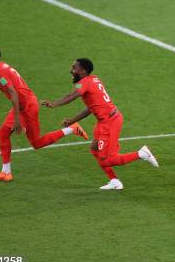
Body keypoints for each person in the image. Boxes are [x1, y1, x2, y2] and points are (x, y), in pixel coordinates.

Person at [41, 58, 158, 190]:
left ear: (83, 71)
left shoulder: (84, 83)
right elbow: (90, 107)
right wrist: (73, 120)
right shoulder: (90, 80)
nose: (71, 70)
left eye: (74, 68)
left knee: (108, 160)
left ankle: (142, 153)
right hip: (105, 120)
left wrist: (54, 103)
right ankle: (115, 181)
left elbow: (72, 96)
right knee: (94, 149)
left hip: (110, 121)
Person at [0, 46, 88, 182]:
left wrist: (16, 118)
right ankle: (6, 172)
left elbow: (13, 92)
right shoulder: (2, 68)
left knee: (13, 136)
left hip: (26, 107)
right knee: (33, 142)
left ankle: (6, 172)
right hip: (24, 104)